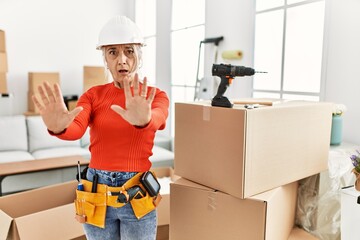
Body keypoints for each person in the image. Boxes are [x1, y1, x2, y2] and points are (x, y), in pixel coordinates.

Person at [32, 15, 169, 240]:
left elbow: (158, 118)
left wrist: (143, 120)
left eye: (129, 51)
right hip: (96, 192)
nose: (122, 60)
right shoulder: (93, 95)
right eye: (113, 52)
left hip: (136, 194)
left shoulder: (154, 96)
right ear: (105, 58)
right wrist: (59, 128)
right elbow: (76, 128)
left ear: (140, 54)